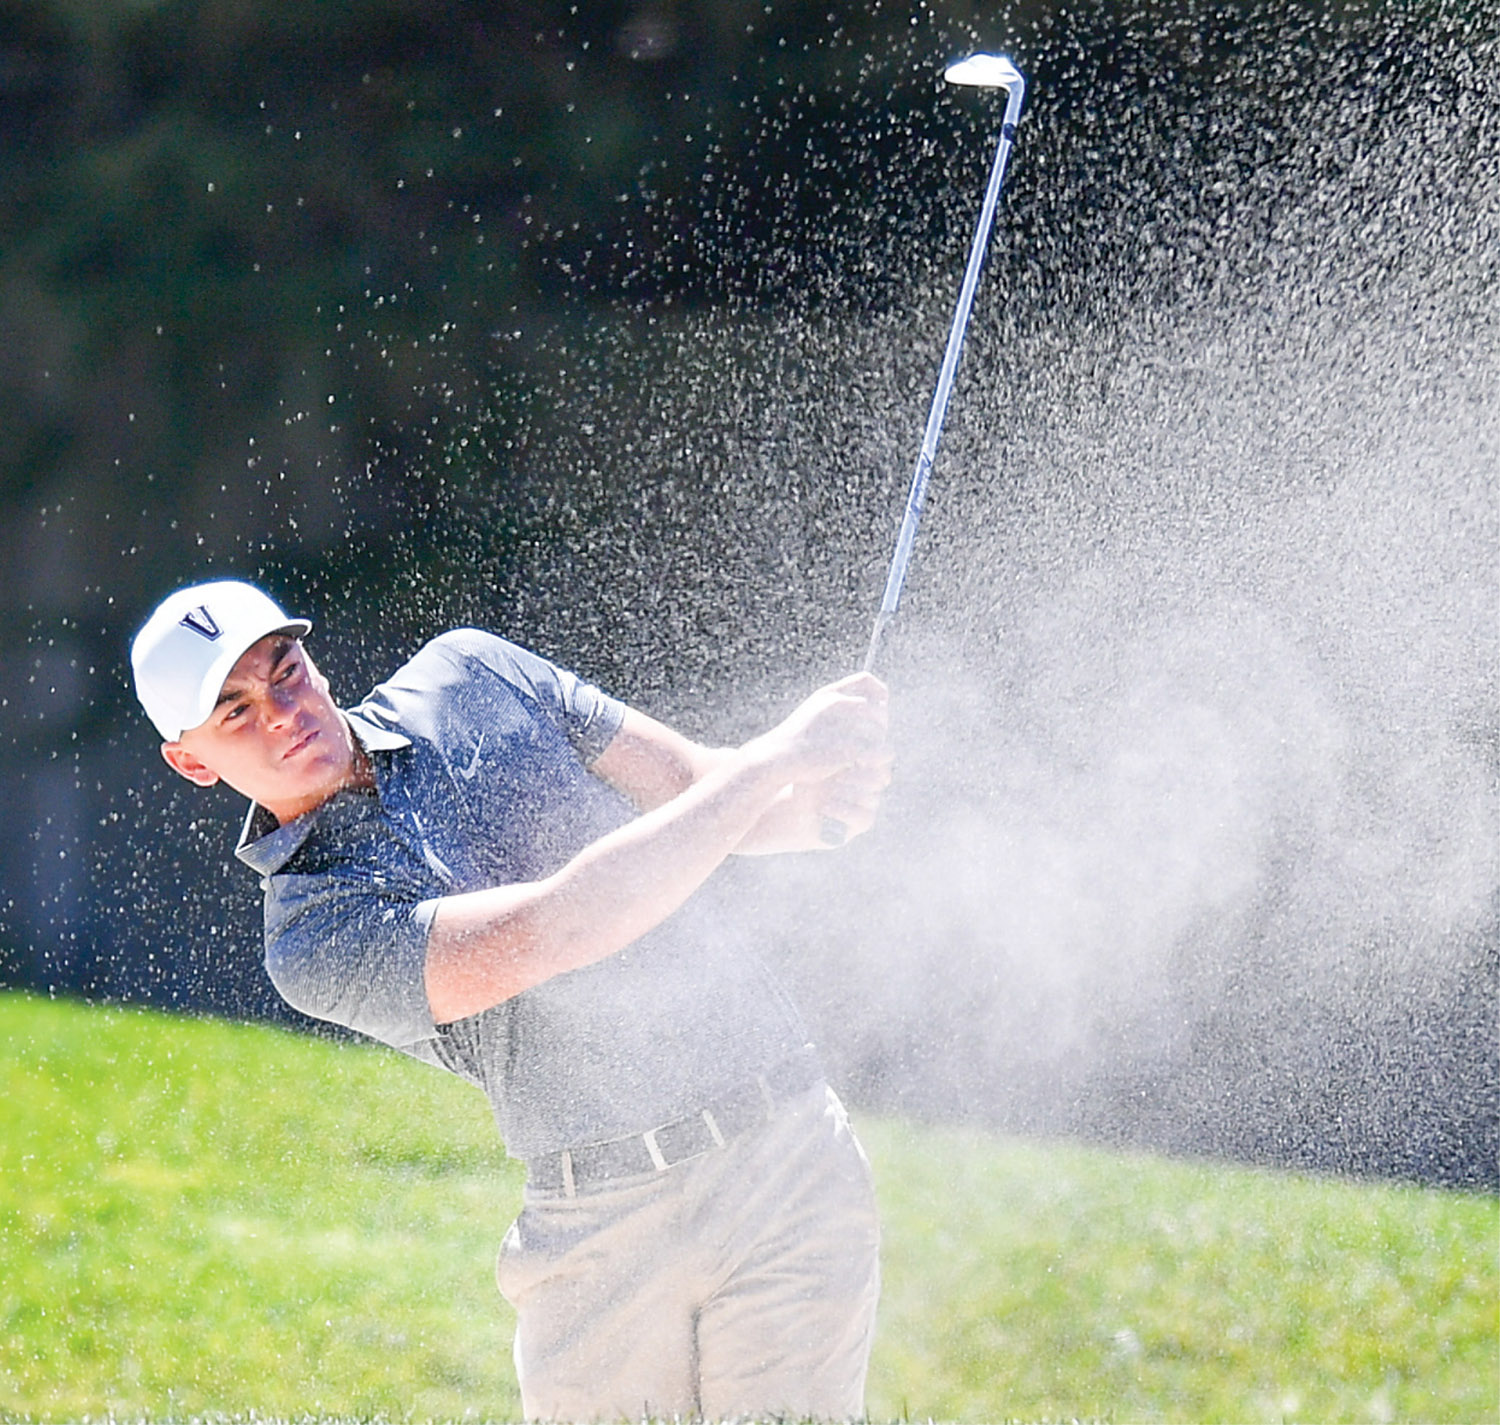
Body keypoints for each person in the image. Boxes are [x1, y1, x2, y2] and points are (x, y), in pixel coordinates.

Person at [130, 577, 892, 1422]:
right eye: (235, 711)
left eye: (285, 669)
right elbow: (550, 931)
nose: (281, 710)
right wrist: (777, 760)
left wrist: (818, 805)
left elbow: (696, 790)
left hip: (782, 1156)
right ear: (192, 760)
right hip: (600, 1231)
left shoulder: (471, 670)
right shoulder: (312, 930)